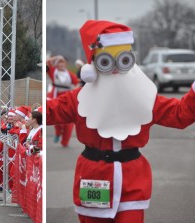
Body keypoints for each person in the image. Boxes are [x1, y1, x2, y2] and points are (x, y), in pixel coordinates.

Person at [46, 20, 195, 222]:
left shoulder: (144, 97)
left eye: (123, 60)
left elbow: (180, 114)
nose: (115, 69)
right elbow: (49, 112)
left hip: (132, 181)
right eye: (107, 62)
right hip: (93, 177)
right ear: (95, 63)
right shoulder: (79, 99)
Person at [48, 55, 79, 148]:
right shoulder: (53, 72)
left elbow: (77, 83)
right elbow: (47, 63)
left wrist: (74, 90)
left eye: (63, 64)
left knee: (69, 121)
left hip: (67, 97)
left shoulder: (70, 74)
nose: (61, 67)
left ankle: (65, 141)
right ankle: (58, 132)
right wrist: (57, 57)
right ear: (57, 65)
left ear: (65, 65)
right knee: (56, 117)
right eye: (59, 65)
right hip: (56, 96)